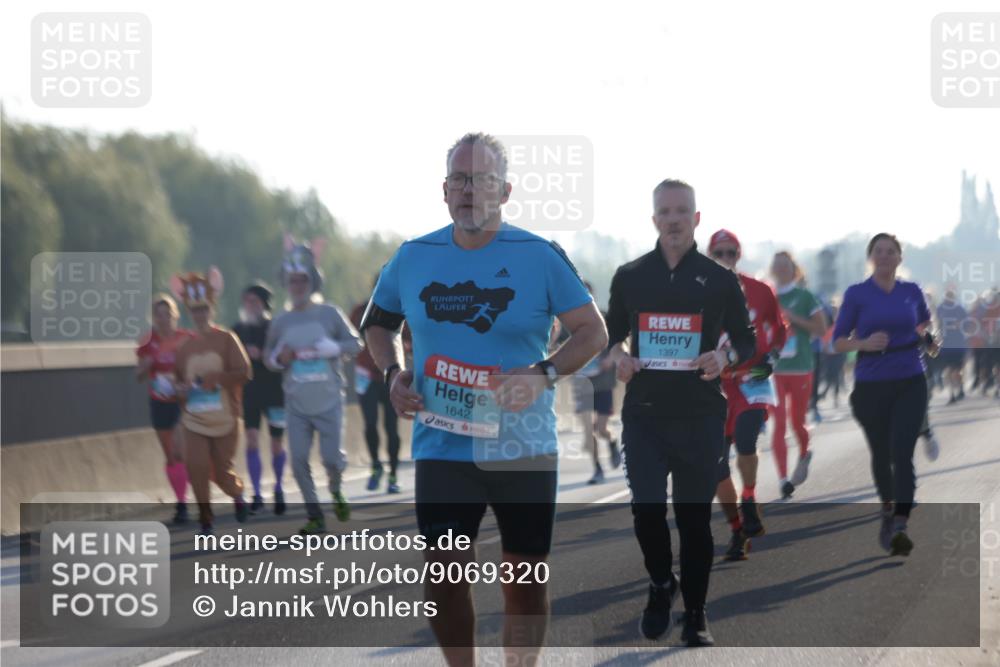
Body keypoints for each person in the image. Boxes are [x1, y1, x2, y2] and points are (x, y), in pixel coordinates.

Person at [360, 132, 607, 666]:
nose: (469, 190)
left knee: (524, 583)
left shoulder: (540, 256)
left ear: (506, 191)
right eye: (460, 179)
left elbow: (593, 332)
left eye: (482, 180)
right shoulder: (413, 256)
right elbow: (377, 325)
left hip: (523, 446)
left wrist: (543, 373)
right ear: (444, 190)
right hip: (443, 444)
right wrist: (392, 373)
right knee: (444, 580)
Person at [607, 181, 756, 646]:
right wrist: (619, 357)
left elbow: (746, 341)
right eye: (665, 212)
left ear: (696, 219)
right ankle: (660, 583)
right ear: (654, 219)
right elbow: (609, 337)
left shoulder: (719, 279)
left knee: (693, 521)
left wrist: (725, 357)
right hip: (645, 415)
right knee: (646, 511)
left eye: (682, 211)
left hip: (699, 415)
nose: (673, 220)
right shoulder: (630, 275)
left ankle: (696, 614)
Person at [832, 233, 938, 556]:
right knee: (881, 452)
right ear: (871, 257)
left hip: (910, 378)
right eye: (878, 251)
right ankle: (888, 510)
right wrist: (863, 343)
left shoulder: (911, 291)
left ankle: (901, 524)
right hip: (871, 383)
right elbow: (838, 341)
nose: (884, 256)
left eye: (891, 251)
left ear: (899, 258)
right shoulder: (857, 294)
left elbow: (923, 326)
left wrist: (930, 340)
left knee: (901, 451)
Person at [264, 236, 362, 535]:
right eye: (292, 281)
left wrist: (335, 348)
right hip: (296, 403)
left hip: (329, 400)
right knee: (297, 461)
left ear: (313, 281)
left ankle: (336, 488)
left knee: (331, 459)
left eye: (302, 280)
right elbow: (268, 358)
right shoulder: (281, 321)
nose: (297, 286)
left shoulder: (329, 313)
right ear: (286, 283)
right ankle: (314, 515)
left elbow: (356, 343)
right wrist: (279, 358)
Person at [706, 229, 787, 561]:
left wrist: (772, 358)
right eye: (719, 253)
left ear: (738, 256)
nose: (726, 259)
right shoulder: (697, 294)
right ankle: (738, 529)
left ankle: (750, 496)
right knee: (716, 465)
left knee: (746, 438)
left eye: (731, 253)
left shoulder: (760, 290)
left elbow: (779, 329)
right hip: (714, 385)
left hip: (751, 380)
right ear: (709, 257)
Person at [170, 268, 252, 534]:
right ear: (189, 312)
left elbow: (245, 372)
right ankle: (206, 518)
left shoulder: (227, 339)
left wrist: (217, 378)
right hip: (194, 419)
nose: (200, 314)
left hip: (225, 417)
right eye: (195, 310)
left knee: (222, 471)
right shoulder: (184, 348)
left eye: (204, 309)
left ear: (212, 309)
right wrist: (180, 389)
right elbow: (177, 383)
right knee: (197, 466)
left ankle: (237, 494)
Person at [769, 251, 828, 499]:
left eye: (786, 265)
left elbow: (821, 328)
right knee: (779, 423)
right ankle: (783, 479)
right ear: (772, 270)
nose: (782, 269)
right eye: (778, 265)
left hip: (801, 367)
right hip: (774, 370)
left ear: (794, 270)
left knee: (796, 422)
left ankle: (805, 451)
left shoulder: (805, 296)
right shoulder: (768, 296)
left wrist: (792, 318)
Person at [135, 294, 194, 524]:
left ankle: (185, 502)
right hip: (159, 401)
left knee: (180, 451)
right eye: (158, 315)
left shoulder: (186, 338)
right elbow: (138, 376)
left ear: (175, 315)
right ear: (154, 318)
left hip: (182, 402)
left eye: (167, 314)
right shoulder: (147, 342)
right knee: (170, 456)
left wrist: (187, 380)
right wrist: (146, 366)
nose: (163, 318)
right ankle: (181, 501)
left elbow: (200, 363)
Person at [349, 279, 411, 494]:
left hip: (390, 377)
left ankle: (393, 473)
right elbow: (349, 338)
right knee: (370, 423)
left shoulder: (401, 312)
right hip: (366, 376)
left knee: (391, 427)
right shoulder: (359, 311)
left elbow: (410, 341)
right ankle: (376, 464)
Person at [233, 283, 288, 515]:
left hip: (275, 392)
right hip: (250, 393)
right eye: (246, 301)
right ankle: (256, 492)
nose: (249, 305)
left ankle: (279, 487)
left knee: (277, 443)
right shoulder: (237, 329)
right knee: (252, 439)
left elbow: (285, 355)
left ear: (264, 304)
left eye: (254, 301)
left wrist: (265, 354)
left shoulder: (275, 327)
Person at [573, 281, 621, 485]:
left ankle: (612, 442)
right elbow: (554, 343)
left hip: (602, 382)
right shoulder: (567, 321)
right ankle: (597, 469)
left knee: (601, 428)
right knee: (587, 430)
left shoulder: (604, 317)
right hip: (581, 382)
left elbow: (620, 341)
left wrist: (611, 358)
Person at [936, 288, 968, 404]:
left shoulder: (959, 308)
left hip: (958, 342)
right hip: (946, 343)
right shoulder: (940, 308)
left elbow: (967, 323)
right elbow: (937, 323)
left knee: (957, 370)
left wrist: (959, 325)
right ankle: (952, 394)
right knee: (949, 369)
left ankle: (960, 388)